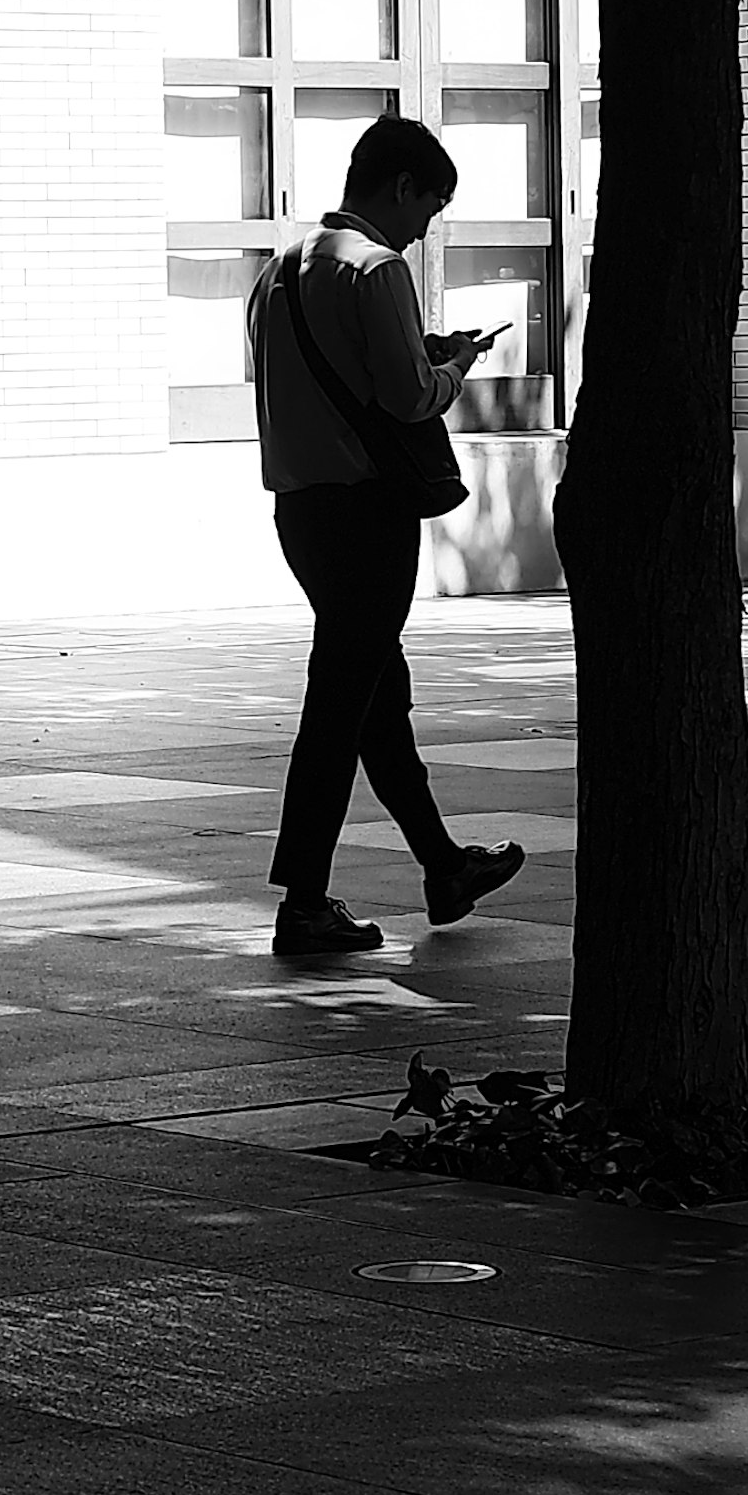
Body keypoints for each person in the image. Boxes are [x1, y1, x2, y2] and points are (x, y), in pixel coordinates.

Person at [244, 111, 526, 963]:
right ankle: (302, 900)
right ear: (401, 188)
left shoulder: (278, 271)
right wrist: (454, 368)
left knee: (374, 698)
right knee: (342, 703)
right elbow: (408, 397)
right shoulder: (377, 269)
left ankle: (444, 867)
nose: (424, 229)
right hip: (368, 515)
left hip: (300, 511)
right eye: (429, 210)